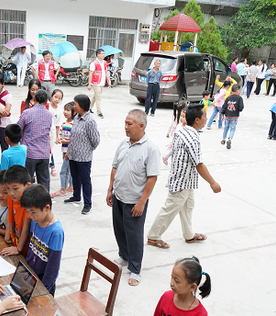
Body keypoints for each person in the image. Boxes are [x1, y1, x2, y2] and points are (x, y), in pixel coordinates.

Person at [146, 104, 221, 247]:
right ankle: (153, 236)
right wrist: (212, 182)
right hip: (181, 182)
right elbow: (199, 164)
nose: (207, 118)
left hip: (187, 181)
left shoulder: (182, 131)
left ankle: (189, 234)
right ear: (197, 120)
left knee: (188, 207)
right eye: (205, 116)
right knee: (170, 209)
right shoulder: (192, 138)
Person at [107, 110, 161, 286]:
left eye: (129, 124)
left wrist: (142, 202)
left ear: (141, 126)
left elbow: (152, 177)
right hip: (119, 196)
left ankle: (135, 269)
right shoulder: (123, 143)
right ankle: (124, 256)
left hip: (135, 201)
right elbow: (115, 167)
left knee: (134, 235)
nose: (126, 127)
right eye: (125, 123)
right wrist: (110, 190)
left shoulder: (151, 148)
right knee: (119, 229)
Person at [21, 184, 64, 295]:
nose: (31, 216)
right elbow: (31, 249)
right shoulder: (36, 221)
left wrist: (40, 291)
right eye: (28, 212)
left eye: (33, 212)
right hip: (31, 277)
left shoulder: (56, 232)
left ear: (47, 208)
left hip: (44, 284)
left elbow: (52, 268)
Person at [65, 94, 100, 215]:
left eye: (76, 104)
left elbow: (95, 140)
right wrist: (68, 152)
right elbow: (73, 136)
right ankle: (76, 196)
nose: (74, 106)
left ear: (83, 106)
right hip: (73, 155)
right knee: (75, 177)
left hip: (84, 157)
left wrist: (87, 150)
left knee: (85, 180)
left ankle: (87, 203)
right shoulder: (76, 117)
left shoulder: (90, 121)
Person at [17, 89, 53, 191]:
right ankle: (44, 203)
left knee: (28, 181)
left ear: (34, 98)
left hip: (30, 152)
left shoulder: (27, 113)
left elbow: (18, 128)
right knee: (44, 181)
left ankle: (28, 203)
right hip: (44, 153)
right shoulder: (49, 115)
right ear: (46, 101)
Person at [0, 165, 32, 257]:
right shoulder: (12, 197)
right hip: (13, 242)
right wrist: (7, 233)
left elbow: (26, 228)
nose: (11, 193)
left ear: (27, 185)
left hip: (24, 250)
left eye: (15, 188)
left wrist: (18, 248)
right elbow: (9, 213)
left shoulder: (29, 204)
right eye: (8, 188)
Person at [52, 102, 74, 197]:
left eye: (68, 110)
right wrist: (59, 138)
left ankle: (63, 190)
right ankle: (71, 186)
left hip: (69, 152)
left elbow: (73, 140)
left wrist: (65, 141)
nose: (65, 112)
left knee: (64, 171)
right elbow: (61, 132)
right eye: (65, 109)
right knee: (70, 170)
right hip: (64, 151)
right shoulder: (64, 123)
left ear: (74, 112)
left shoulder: (74, 125)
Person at [88, 48, 111, 119]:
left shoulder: (104, 62)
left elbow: (106, 72)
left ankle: (89, 108)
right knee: (98, 97)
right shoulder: (94, 63)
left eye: (104, 54)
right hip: (96, 83)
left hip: (102, 82)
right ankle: (99, 112)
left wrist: (109, 80)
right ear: (98, 54)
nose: (104, 55)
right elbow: (90, 74)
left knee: (95, 96)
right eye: (102, 54)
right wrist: (89, 84)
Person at [220, 85, 244, 149]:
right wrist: (238, 110)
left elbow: (224, 106)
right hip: (235, 116)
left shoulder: (228, 98)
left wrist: (222, 114)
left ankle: (223, 139)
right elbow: (241, 107)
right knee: (232, 128)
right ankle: (229, 139)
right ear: (237, 90)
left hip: (227, 115)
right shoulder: (239, 98)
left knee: (226, 127)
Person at [48, 89, 64, 179]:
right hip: (45, 132)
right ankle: (52, 166)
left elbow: (58, 125)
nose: (57, 99)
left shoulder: (59, 111)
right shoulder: (47, 106)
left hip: (53, 133)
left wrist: (57, 136)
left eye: (59, 98)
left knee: (50, 150)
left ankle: (52, 166)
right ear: (51, 96)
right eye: (55, 97)